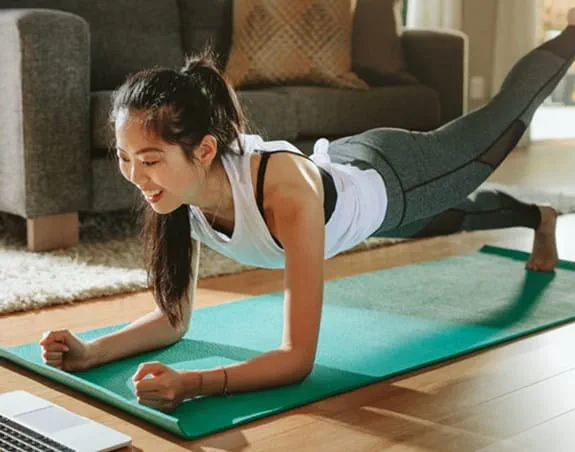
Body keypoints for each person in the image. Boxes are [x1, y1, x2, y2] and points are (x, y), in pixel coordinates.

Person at [40, 11, 575, 412]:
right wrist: (91, 351)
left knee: (499, 126)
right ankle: (539, 218)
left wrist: (195, 384)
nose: (136, 176)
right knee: (455, 217)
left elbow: (297, 359)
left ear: (203, 151)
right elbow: (173, 320)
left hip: (396, 175)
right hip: (354, 184)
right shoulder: (174, 193)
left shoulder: (283, 192)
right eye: (125, 158)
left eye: (150, 160)